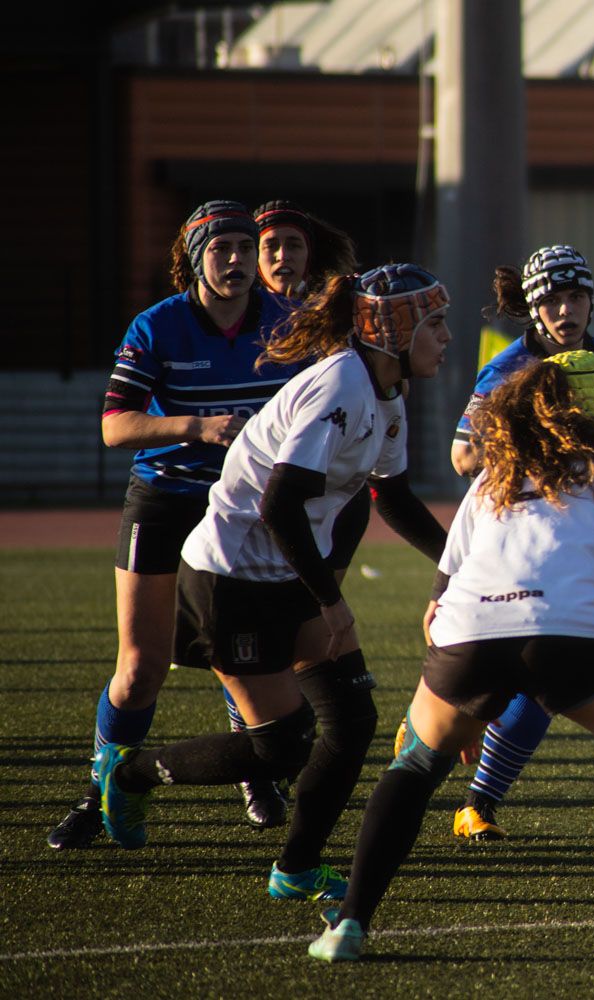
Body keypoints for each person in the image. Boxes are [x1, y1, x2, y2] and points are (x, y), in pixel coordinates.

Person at [308, 352, 594, 966]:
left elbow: (443, 591)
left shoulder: (493, 475)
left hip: (468, 632)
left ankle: (349, 924)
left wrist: (461, 698)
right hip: (566, 637)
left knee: (414, 766)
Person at [93, 264, 451, 904]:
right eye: (435, 323)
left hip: (287, 569)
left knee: (352, 719)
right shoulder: (342, 384)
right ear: (394, 332)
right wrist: (331, 599)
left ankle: (297, 868)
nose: (447, 336)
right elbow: (280, 504)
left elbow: (390, 495)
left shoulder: (387, 392)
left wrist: (459, 566)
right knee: (282, 747)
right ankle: (134, 772)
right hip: (232, 579)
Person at [46, 200, 301, 850]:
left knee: (240, 655)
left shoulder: (284, 324)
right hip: (164, 500)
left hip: (241, 511)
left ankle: (255, 774)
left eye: (247, 247)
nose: (239, 261)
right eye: (223, 250)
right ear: (194, 260)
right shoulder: (159, 325)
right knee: (140, 666)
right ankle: (101, 793)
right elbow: (114, 426)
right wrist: (196, 427)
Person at [445, 245, 594, 843]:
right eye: (551, 300)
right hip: (513, 536)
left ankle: (477, 801)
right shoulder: (506, 367)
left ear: (592, 301)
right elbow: (462, 458)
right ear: (533, 310)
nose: (566, 309)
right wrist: (534, 428)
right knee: (510, 674)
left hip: (580, 536)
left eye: (576, 296)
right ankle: (441, 723)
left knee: (544, 678)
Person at [211, 200, 365, 829]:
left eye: (291, 245)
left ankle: (283, 767)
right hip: (245, 502)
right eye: (267, 245)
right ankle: (257, 774)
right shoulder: (237, 315)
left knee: (303, 656)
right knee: (251, 656)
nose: (279, 257)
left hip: (308, 514)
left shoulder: (327, 316)